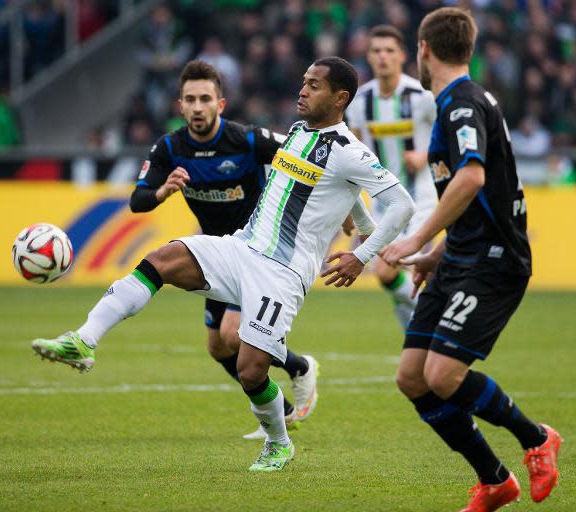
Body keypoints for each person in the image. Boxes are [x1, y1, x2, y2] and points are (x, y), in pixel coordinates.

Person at [32, 56, 415, 472]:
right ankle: (83, 339)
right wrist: (355, 218)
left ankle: (278, 443)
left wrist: (361, 254)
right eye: (303, 82)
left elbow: (402, 205)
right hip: (240, 248)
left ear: (340, 98)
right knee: (162, 260)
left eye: (314, 86)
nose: (302, 91)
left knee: (251, 371)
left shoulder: (348, 151)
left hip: (281, 273)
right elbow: (348, 195)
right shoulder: (299, 132)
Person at [379, 8, 562, 512]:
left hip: (493, 261)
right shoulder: (459, 102)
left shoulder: (461, 105)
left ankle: (536, 438)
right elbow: (477, 198)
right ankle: (495, 480)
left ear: (422, 50)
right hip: (461, 255)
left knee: (442, 377)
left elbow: (472, 178)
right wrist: (437, 254)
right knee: (412, 378)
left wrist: (416, 238)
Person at [128, 60, 319, 440]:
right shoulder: (169, 147)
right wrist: (163, 191)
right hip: (215, 252)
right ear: (179, 106)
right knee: (217, 347)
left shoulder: (246, 139)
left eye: (205, 99)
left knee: (234, 334)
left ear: (221, 103)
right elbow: (137, 200)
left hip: (258, 249)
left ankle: (298, 368)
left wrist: (342, 207)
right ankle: (281, 408)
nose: (198, 107)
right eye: (190, 100)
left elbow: (303, 157)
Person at [345, 25, 437, 330]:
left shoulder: (422, 96)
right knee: (394, 275)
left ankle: (430, 319)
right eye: (376, 51)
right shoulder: (361, 103)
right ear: (368, 57)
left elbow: (447, 138)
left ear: (401, 55)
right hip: (383, 202)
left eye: (389, 50)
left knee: (386, 272)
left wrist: (424, 156)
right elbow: (355, 152)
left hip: (421, 198)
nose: (383, 56)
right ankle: (420, 334)